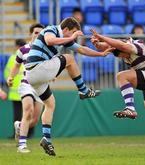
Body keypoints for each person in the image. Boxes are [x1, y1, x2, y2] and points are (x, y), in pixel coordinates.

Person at [25, 17, 113, 156]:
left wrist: (101, 54)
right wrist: (72, 36)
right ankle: (83, 91)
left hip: (34, 76)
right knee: (69, 59)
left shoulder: (63, 37)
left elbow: (82, 49)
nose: (72, 37)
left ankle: (46, 139)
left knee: (50, 104)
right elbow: (49, 40)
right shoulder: (51, 29)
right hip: (36, 69)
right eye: (71, 32)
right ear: (65, 29)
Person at [90, 29, 145, 140]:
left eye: (122, 55)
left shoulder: (136, 45)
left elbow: (123, 47)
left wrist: (102, 37)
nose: (122, 57)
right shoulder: (125, 50)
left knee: (122, 76)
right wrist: (97, 43)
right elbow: (110, 47)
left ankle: (130, 108)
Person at [7, 23, 45, 153]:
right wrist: (11, 77)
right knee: (27, 111)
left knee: (34, 120)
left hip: (41, 86)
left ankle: (19, 126)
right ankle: (22, 145)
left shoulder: (47, 50)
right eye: (36, 32)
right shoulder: (23, 49)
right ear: (30, 34)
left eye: (41, 33)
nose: (38, 35)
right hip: (26, 84)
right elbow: (16, 66)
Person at [4, 39, 26, 138]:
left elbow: (6, 73)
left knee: (17, 115)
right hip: (26, 89)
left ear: (17, 46)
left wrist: (9, 81)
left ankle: (16, 134)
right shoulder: (28, 56)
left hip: (15, 91)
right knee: (28, 112)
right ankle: (28, 133)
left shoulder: (13, 58)